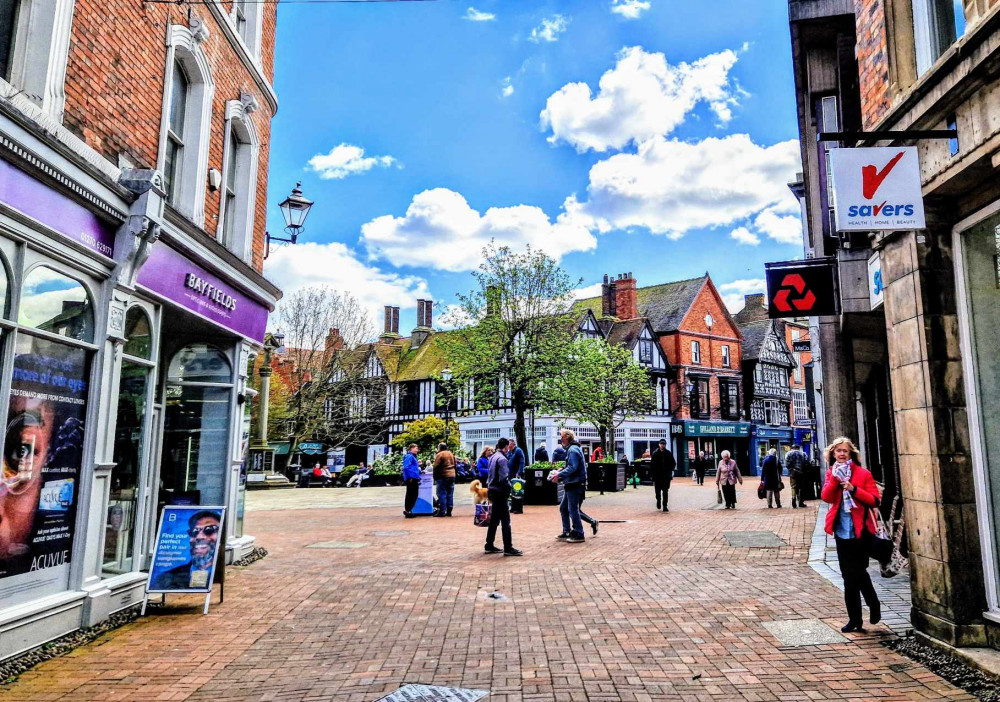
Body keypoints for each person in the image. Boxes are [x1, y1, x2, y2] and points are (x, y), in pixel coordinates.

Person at [821, 436, 881, 633]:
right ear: (832, 454)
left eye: (845, 451)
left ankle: (873, 603)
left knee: (859, 573)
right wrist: (835, 482)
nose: (841, 454)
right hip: (841, 531)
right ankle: (855, 619)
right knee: (849, 577)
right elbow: (827, 497)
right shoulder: (832, 473)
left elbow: (874, 500)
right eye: (837, 451)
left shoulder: (863, 474)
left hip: (860, 532)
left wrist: (853, 489)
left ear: (851, 454)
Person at [150, 511, 221, 590]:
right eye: (194, 532)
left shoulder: (219, 575)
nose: (199, 537)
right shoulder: (167, 578)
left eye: (209, 530)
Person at [484, 438, 521, 556]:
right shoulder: (503, 459)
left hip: (492, 489)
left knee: (494, 519)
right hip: (500, 491)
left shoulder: (492, 457)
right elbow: (504, 477)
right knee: (506, 520)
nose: (508, 449)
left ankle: (489, 544)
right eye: (508, 447)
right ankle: (508, 547)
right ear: (505, 447)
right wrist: (510, 488)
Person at [553, 429, 587, 543]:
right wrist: (562, 470)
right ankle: (567, 531)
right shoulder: (573, 449)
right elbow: (572, 466)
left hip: (575, 483)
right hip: (572, 483)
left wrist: (559, 474)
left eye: (562, 436)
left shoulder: (572, 450)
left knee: (572, 509)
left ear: (567, 437)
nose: (561, 438)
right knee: (564, 508)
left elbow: (573, 467)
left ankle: (579, 533)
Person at [649, 439, 675, 512]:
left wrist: (670, 470)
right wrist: (652, 475)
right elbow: (652, 465)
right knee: (657, 491)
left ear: (665, 445)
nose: (662, 445)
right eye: (661, 444)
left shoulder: (668, 453)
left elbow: (673, 463)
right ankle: (658, 500)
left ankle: (665, 505)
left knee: (665, 491)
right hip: (657, 476)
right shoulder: (655, 454)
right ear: (659, 444)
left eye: (664, 444)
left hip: (666, 476)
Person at [432, 442, 456, 517]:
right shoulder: (451, 453)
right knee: (450, 493)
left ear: (439, 448)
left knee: (441, 493)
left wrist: (435, 477)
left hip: (443, 475)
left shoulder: (440, 454)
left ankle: (442, 511)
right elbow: (455, 464)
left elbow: (436, 466)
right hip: (452, 475)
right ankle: (449, 510)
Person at [402, 444, 421, 518]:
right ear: (411, 448)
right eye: (416, 448)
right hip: (411, 478)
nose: (417, 450)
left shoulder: (412, 456)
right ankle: (408, 510)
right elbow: (406, 467)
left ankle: (409, 510)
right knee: (412, 494)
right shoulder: (410, 456)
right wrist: (410, 476)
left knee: (412, 494)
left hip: (413, 477)